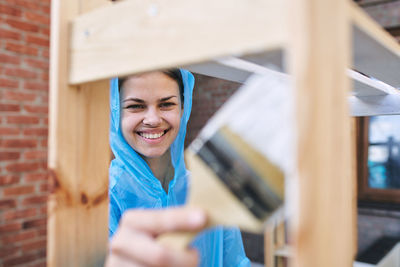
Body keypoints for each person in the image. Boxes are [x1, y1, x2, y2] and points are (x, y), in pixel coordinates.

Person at [106, 69, 250, 266]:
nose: (153, 119)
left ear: (184, 108)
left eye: (166, 104)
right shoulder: (99, 200)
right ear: (116, 112)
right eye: (136, 106)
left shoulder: (209, 190)